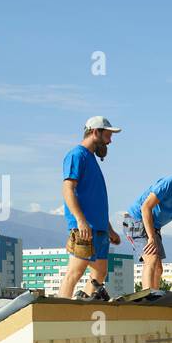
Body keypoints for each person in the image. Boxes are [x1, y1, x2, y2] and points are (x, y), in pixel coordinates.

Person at [58, 116, 122, 300]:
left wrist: (109, 229)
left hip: (99, 229)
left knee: (100, 273)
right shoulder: (76, 155)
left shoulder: (91, 159)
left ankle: (85, 305)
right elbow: (68, 188)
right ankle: (60, 311)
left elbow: (95, 200)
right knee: (74, 272)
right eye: (108, 135)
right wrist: (80, 221)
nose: (110, 141)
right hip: (84, 227)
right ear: (95, 132)